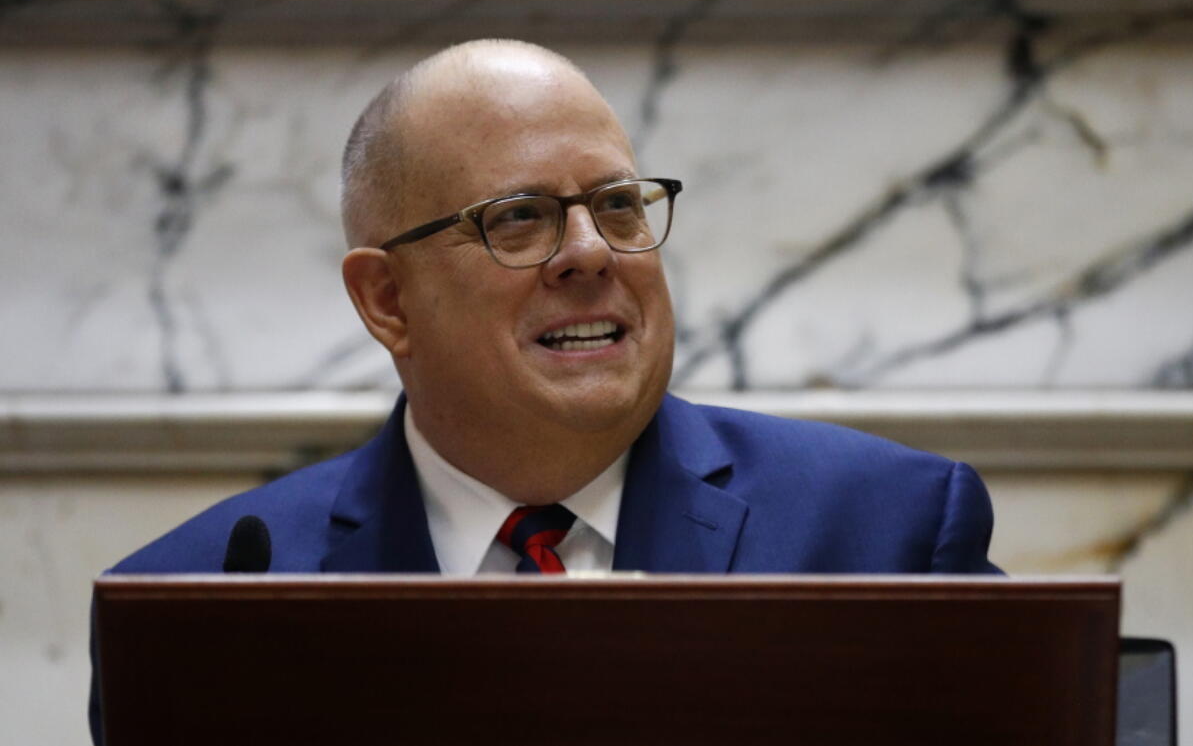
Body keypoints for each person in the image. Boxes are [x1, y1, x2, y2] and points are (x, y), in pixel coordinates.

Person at [90, 39, 999, 741]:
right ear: (386, 298)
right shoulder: (204, 601)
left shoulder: (888, 536)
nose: (594, 252)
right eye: (518, 218)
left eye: (617, 205)